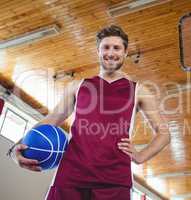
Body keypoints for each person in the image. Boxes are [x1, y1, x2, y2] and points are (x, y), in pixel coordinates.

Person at [7, 25, 170, 200]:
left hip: (114, 181)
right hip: (71, 176)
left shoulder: (139, 90)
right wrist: (15, 148)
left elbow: (164, 134)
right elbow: (52, 119)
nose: (111, 53)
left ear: (125, 52)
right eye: (105, 47)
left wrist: (139, 156)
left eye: (117, 48)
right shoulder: (77, 86)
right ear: (98, 51)